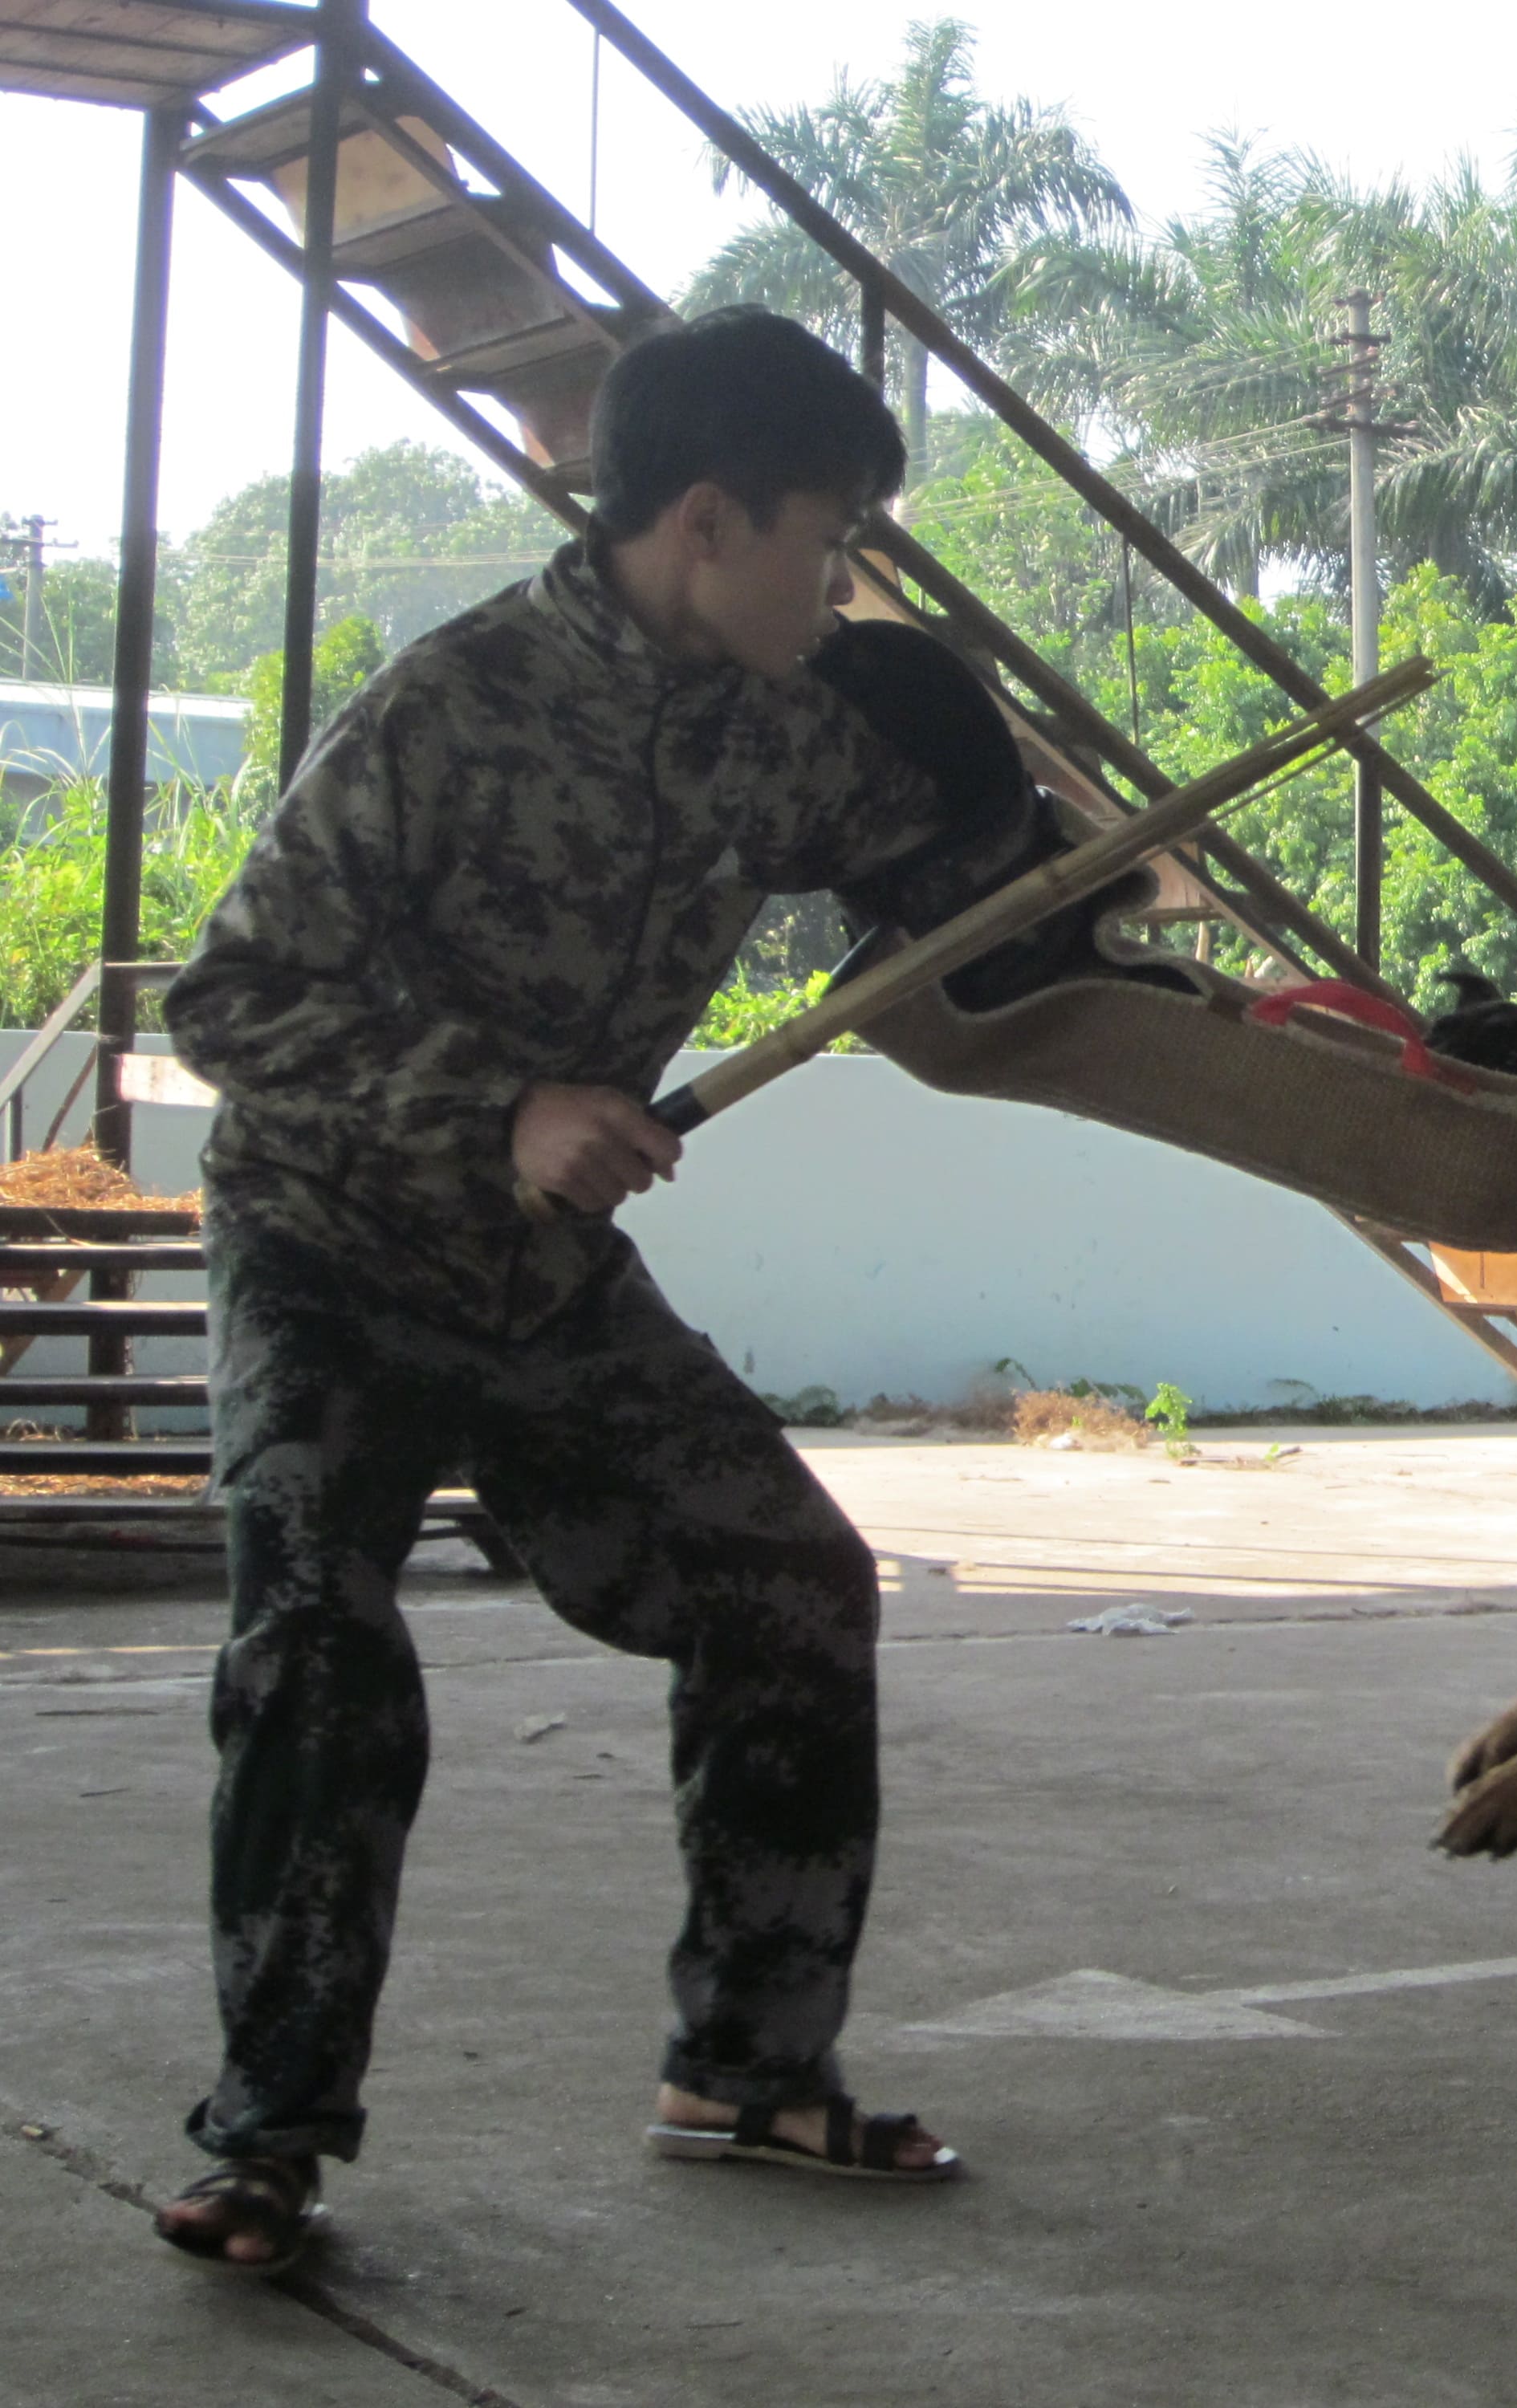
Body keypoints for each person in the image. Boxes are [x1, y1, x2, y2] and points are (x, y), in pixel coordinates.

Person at [149, 309, 1055, 2271]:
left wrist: (1030, 839)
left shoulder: (774, 719)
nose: (840, 592)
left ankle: (746, 2067)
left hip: (541, 1281)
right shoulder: (451, 705)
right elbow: (228, 1000)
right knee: (318, 1645)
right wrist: (502, 1109)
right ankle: (265, 2141)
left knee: (790, 1589)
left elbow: (956, 874)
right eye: (825, 549)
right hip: (328, 1247)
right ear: (709, 522)